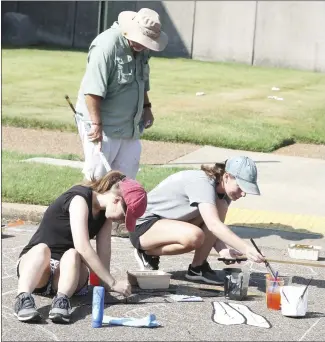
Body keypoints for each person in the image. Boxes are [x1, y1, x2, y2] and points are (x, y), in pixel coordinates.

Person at [14, 171, 147, 324]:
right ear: (117, 200)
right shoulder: (80, 199)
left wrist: (106, 284)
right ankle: (23, 298)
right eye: (124, 216)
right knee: (41, 249)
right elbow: (82, 245)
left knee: (72, 254)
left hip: (67, 275)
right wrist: (114, 283)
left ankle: (61, 301)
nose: (122, 220)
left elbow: (104, 251)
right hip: (38, 270)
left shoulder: (106, 215)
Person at [129, 156, 266, 285]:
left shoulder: (223, 191)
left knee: (220, 206)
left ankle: (198, 268)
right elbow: (213, 225)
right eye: (241, 187)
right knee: (195, 236)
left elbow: (210, 221)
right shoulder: (203, 183)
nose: (243, 194)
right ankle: (147, 252)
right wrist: (246, 248)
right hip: (143, 227)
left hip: (167, 224)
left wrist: (222, 250)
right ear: (226, 176)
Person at [75, 8, 168, 180]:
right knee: (97, 181)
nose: (143, 45)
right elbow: (92, 90)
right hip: (104, 126)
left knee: (126, 181)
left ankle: (118, 208)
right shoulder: (106, 46)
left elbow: (140, 81)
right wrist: (96, 125)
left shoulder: (142, 49)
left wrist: (147, 107)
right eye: (142, 39)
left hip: (130, 127)